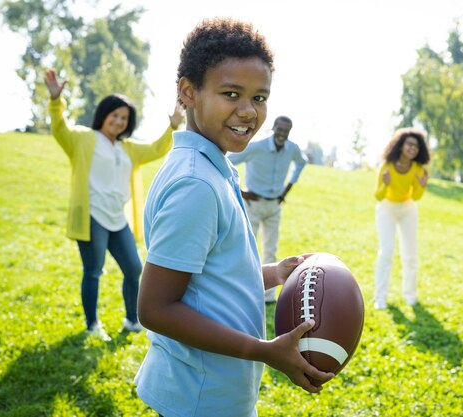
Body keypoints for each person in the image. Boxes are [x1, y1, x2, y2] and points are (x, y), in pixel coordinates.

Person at [134, 18, 332, 417]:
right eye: (231, 94)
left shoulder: (209, 167)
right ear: (188, 92)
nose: (248, 111)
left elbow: (209, 279)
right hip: (201, 397)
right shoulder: (197, 185)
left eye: (259, 98)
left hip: (205, 388)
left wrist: (274, 273)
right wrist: (263, 351)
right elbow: (155, 308)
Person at [44, 68, 184, 341]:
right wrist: (55, 101)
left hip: (118, 218)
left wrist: (173, 126)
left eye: (124, 118)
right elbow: (59, 129)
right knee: (93, 271)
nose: (119, 121)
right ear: (104, 115)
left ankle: (132, 320)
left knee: (134, 268)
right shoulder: (83, 139)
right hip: (92, 216)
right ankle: (92, 324)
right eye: (115, 115)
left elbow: (157, 149)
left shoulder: (128, 148)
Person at [228, 116, 307, 303]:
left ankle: (267, 296)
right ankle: (240, 290)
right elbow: (228, 161)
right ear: (273, 128)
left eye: (286, 131)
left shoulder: (292, 149)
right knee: (246, 247)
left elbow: (301, 163)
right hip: (253, 203)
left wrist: (287, 189)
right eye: (279, 129)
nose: (282, 134)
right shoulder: (256, 147)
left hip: (274, 205)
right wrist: (240, 192)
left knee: (271, 248)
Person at [373, 128, 430, 309]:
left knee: (410, 255)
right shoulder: (386, 166)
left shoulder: (417, 169)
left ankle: (410, 296)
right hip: (387, 209)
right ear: (401, 145)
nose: (413, 148)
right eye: (410, 144)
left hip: (408, 209)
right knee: (386, 253)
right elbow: (378, 196)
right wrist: (386, 184)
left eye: (416, 146)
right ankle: (380, 298)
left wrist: (422, 186)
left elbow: (417, 196)